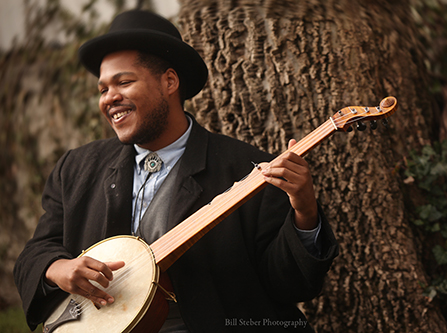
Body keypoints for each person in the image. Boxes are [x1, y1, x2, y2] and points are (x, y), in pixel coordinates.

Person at [14, 9, 338, 332]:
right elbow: (37, 251)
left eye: (124, 82)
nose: (109, 98)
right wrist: (58, 268)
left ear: (169, 81)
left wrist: (305, 209)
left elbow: (290, 285)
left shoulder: (247, 170)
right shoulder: (76, 168)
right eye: (102, 89)